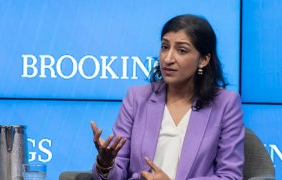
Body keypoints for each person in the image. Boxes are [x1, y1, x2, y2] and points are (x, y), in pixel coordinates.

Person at [91, 14, 244, 180]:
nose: (168, 59)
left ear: (203, 60)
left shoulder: (226, 104)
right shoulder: (137, 98)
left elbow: (230, 176)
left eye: (182, 50)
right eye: (165, 47)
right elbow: (118, 171)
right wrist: (105, 164)